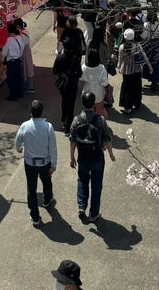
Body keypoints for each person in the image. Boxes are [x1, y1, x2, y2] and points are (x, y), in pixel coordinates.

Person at [69, 91, 115, 223]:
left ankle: (81, 206)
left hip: (82, 156)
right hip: (97, 157)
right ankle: (94, 213)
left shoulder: (77, 120)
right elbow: (107, 138)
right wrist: (111, 154)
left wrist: (72, 157)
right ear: (94, 104)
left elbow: (73, 140)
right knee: (96, 185)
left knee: (82, 181)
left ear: (82, 103)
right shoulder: (99, 120)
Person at [14, 99, 57, 226]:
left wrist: (19, 148)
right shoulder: (48, 127)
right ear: (42, 111)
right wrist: (53, 165)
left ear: (30, 111)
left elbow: (18, 141)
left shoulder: (25, 126)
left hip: (30, 164)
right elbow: (53, 148)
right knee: (47, 182)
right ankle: (47, 200)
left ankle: (35, 216)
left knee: (31, 189)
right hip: (45, 163)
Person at [53, 37, 83, 134]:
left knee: (64, 102)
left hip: (63, 85)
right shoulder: (76, 59)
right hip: (73, 85)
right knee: (71, 104)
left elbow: (54, 71)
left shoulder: (59, 58)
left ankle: (63, 120)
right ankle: (68, 125)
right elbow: (80, 73)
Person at [118, 28, 152, 114]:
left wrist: (118, 67)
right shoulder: (137, 45)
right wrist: (149, 65)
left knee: (127, 88)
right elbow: (143, 55)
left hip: (126, 69)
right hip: (137, 69)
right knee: (137, 86)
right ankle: (137, 103)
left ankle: (127, 107)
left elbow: (120, 59)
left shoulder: (122, 47)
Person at [81, 47, 109, 118]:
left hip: (87, 92)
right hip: (99, 93)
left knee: (88, 112)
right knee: (99, 110)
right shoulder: (101, 68)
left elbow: (81, 78)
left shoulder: (84, 67)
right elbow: (105, 83)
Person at [142, 11, 159, 88]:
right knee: (158, 63)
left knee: (149, 62)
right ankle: (155, 81)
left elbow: (144, 36)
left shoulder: (146, 25)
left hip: (149, 45)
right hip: (158, 45)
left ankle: (151, 78)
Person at [2, 23, 24, 100]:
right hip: (18, 60)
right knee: (18, 78)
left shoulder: (8, 40)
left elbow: (4, 53)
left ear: (8, 31)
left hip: (11, 62)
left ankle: (13, 96)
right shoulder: (19, 37)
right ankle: (19, 93)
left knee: (11, 80)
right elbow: (22, 48)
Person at [14, 17, 35, 93]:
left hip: (25, 54)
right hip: (26, 53)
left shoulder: (23, 35)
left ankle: (28, 88)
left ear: (18, 26)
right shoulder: (25, 31)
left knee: (26, 70)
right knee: (27, 69)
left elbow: (21, 46)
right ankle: (28, 87)